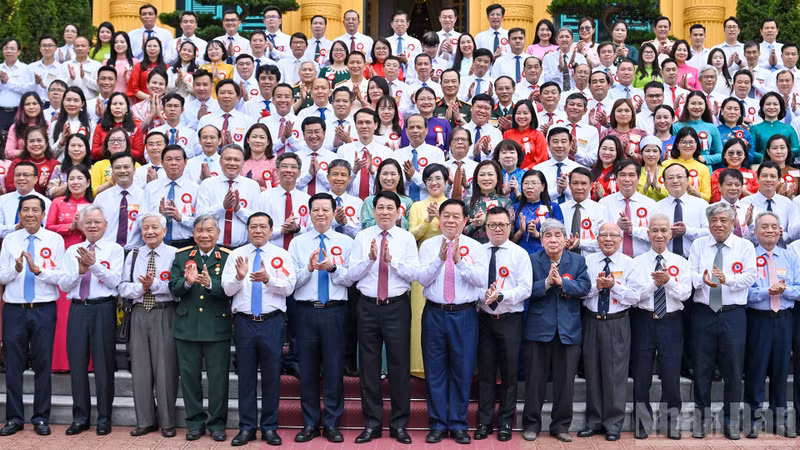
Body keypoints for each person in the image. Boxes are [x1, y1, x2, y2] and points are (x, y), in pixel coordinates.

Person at [349, 191, 419, 444]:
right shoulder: (362, 237)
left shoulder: (407, 238)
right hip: (367, 306)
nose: (385, 212)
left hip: (396, 307)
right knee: (368, 367)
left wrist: (393, 260)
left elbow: (414, 273)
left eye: (390, 208)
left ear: (399, 212)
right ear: (373, 211)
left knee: (399, 366)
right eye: (380, 207)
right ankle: (372, 424)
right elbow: (351, 274)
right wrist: (370, 260)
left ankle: (400, 424)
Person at [417, 199, 487, 444]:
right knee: (434, 371)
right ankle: (437, 423)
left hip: (464, 315)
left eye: (456, 216)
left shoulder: (476, 247)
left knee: (462, 370)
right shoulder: (427, 245)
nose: (450, 221)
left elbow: (480, 280)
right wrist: (439, 259)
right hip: (434, 313)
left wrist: (459, 261)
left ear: (465, 220)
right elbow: (422, 279)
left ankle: (458, 423)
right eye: (446, 215)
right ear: (439, 218)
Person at [221, 212, 295, 446]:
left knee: (272, 376)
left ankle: (270, 427)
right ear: (248, 229)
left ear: (271, 230)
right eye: (253, 226)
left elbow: (290, 287)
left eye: (263, 226)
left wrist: (268, 279)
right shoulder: (236, 255)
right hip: (244, 322)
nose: (258, 230)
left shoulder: (281, 255)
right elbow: (226, 290)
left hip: (272, 322)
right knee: (246, 376)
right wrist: (238, 277)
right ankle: (247, 427)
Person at [688, 202, 757, 440]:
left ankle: (731, 421)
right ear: (708, 223)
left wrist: (727, 280)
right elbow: (690, 273)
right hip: (704, 313)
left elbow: (750, 276)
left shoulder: (745, 246)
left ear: (732, 222)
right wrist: (702, 280)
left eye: (723, 220)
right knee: (702, 368)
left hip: (733, 314)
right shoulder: (698, 244)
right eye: (714, 221)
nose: (718, 225)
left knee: (734, 370)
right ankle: (701, 420)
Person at [287, 193, 351, 443]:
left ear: (335, 213)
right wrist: (310, 268)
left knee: (334, 368)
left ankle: (332, 423)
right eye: (316, 210)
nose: (321, 214)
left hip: (335, 310)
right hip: (305, 311)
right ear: (309, 213)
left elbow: (350, 280)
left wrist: (333, 268)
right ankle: (310, 423)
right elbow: (291, 281)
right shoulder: (298, 243)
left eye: (326, 209)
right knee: (308, 369)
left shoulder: (346, 241)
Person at [0, 195, 64, 437]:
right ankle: (14, 418)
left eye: (34, 210)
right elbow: (1, 276)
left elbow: (60, 277)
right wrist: (15, 269)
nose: (29, 214)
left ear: (42, 214)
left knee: (42, 364)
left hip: (44, 309)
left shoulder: (55, 239)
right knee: (13, 366)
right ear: (19, 213)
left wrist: (39, 271)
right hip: (14, 310)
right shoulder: (10, 240)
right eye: (24, 210)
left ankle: (40, 417)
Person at [522, 219, 590, 442]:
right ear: (541, 240)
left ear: (564, 239)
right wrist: (547, 283)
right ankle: (531, 424)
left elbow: (585, 287)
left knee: (565, 382)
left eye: (557, 235)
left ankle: (560, 426)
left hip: (568, 330)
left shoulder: (577, 261)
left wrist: (563, 284)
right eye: (548, 236)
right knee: (534, 382)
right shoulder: (531, 260)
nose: (553, 239)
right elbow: (526, 290)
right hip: (538, 329)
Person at [58, 205, 122, 436]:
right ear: (81, 226)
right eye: (88, 222)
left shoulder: (115, 250)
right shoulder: (71, 250)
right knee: (77, 365)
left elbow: (115, 281)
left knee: (104, 365)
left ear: (105, 224)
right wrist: (79, 270)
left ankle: (104, 418)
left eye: (97, 222)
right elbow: (64, 284)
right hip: (77, 309)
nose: (93, 226)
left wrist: (93, 266)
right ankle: (80, 417)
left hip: (103, 308)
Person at [628, 214, 692, 439]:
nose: (659, 234)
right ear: (647, 234)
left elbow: (685, 294)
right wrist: (653, 284)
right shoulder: (637, 262)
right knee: (641, 375)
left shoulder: (681, 262)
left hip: (671, 321)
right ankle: (641, 424)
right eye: (654, 230)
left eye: (664, 230)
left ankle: (670, 423)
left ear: (670, 233)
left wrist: (668, 281)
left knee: (671, 375)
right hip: (644, 320)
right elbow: (634, 296)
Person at [167, 215, 231, 442]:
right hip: (187, 326)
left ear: (217, 233)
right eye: (200, 230)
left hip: (216, 326)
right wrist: (187, 282)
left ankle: (217, 424)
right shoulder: (183, 256)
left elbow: (232, 289)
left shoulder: (227, 257)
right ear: (193, 233)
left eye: (209, 230)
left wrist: (210, 284)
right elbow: (173, 286)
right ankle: (194, 422)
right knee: (190, 378)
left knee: (218, 379)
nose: (204, 235)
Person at [473, 207, 531, 442]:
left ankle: (506, 421)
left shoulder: (519, 254)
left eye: (502, 225)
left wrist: (502, 296)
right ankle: (484, 422)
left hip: (510, 319)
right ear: (485, 228)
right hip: (484, 318)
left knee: (508, 373)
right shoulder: (477, 252)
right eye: (492, 225)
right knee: (485, 372)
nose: (497, 229)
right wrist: (482, 295)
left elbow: (526, 288)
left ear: (510, 227)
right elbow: (471, 280)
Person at [118, 213, 178, 437]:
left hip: (165, 312)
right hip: (140, 312)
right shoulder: (133, 255)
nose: (149, 232)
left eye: (154, 227)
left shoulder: (174, 254)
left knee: (166, 369)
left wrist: (155, 285)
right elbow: (123, 287)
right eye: (145, 228)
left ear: (164, 231)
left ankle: (167, 421)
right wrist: (142, 289)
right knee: (140, 370)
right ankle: (145, 420)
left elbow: (177, 287)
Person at [578, 223, 637, 441]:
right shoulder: (587, 261)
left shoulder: (629, 264)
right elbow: (580, 292)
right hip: (592, 321)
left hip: (617, 323)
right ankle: (593, 421)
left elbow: (635, 297)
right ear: (597, 238)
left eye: (614, 235)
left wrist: (614, 286)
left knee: (615, 375)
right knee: (592, 373)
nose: (609, 239)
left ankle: (613, 424)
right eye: (604, 235)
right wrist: (598, 287)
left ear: (621, 239)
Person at [744, 212, 800, 438]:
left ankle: (780, 418)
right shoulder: (749, 256)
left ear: (780, 232)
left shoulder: (790, 257)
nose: (769, 230)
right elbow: (744, 292)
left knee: (780, 371)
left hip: (785, 319)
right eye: (764, 226)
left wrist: (785, 290)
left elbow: (799, 287)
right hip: (758, 320)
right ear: (755, 232)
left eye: (773, 226)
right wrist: (766, 292)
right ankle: (753, 420)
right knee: (756, 370)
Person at [45, 165, 92, 372]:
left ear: (88, 182)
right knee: (64, 313)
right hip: (63, 260)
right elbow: (48, 228)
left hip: (86, 260)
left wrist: (85, 229)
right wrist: (70, 227)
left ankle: (87, 362)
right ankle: (61, 362)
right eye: (71, 178)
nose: (75, 182)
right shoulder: (57, 203)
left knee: (85, 310)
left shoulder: (93, 205)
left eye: (80, 178)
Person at [196, 144, 261, 248]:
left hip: (242, 248)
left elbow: (258, 220)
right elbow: (199, 218)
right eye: (228, 159)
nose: (232, 163)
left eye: (236, 160)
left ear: (243, 162)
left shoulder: (253, 186)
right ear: (220, 161)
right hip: (213, 248)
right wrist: (223, 207)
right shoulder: (207, 184)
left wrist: (239, 210)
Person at [598, 159, 658, 257]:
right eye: (622, 175)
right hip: (614, 259)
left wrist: (632, 230)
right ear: (616, 179)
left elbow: (656, 235)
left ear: (638, 178)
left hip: (643, 260)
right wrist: (616, 227)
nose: (627, 179)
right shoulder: (604, 203)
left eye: (631, 175)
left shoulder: (651, 205)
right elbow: (598, 235)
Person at [739, 161, 800, 246]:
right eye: (764, 176)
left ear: (779, 180)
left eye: (773, 176)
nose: (768, 179)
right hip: (754, 253)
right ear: (757, 179)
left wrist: (782, 235)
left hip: (781, 252)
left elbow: (793, 234)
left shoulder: (788, 204)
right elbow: (741, 235)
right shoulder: (745, 203)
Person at [93, 152, 143, 251]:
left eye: (126, 167)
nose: (122, 171)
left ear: (134, 169)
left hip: (135, 253)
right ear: (112, 171)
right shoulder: (101, 198)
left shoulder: (144, 196)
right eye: (118, 167)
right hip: (107, 253)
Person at [512, 169, 563, 254]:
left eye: (534, 183)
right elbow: (508, 241)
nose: (529, 186)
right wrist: (520, 231)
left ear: (543, 186)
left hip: (546, 255)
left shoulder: (553, 207)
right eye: (526, 183)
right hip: (519, 255)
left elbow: (560, 237)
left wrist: (537, 234)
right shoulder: (515, 208)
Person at [0, 162, 52, 238]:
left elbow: (46, 229)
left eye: (26, 175)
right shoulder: (2, 200)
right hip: (8, 244)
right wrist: (15, 228)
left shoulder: (46, 202)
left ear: (35, 179)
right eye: (17, 175)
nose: (21, 178)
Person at [198, 80, 255, 147]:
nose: (226, 96)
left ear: (238, 97)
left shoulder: (248, 121)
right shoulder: (206, 120)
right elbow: (198, 145)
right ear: (217, 96)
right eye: (222, 93)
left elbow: (251, 146)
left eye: (230, 93)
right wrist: (215, 145)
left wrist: (233, 145)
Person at [562, 167, 605, 255]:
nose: (579, 187)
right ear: (569, 185)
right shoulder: (560, 209)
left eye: (583, 183)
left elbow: (603, 242)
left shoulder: (600, 210)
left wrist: (580, 243)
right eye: (575, 183)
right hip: (564, 260)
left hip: (591, 262)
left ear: (591, 185)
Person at [533, 127, 583, 203]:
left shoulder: (579, 169)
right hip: (545, 213)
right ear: (548, 145)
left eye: (563, 141)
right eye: (555, 142)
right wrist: (556, 191)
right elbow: (534, 197)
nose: (559, 145)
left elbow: (585, 198)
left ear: (570, 145)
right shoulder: (538, 170)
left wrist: (566, 189)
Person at [6, 126, 59, 196]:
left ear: (46, 143)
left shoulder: (55, 165)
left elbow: (57, 191)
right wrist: (35, 183)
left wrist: (43, 186)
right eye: (31, 141)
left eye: (39, 140)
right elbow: (9, 187)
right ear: (26, 144)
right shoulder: (17, 163)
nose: (36, 144)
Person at [750, 92, 800, 164]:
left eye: (775, 104)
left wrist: (781, 154)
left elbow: (797, 149)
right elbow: (751, 151)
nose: (772, 107)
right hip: (762, 167)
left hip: (785, 167)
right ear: (762, 107)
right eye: (768, 104)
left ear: (780, 108)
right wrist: (763, 157)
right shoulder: (755, 129)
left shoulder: (789, 128)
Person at [665, 127, 712, 202]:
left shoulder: (703, 168)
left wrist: (693, 192)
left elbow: (707, 198)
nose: (687, 146)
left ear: (696, 144)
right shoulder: (665, 165)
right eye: (683, 142)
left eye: (691, 142)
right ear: (677, 145)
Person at [0, 39, 34, 132]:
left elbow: (28, 89)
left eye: (12, 48)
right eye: (6, 48)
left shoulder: (25, 68)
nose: (8, 51)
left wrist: (8, 82)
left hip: (18, 112)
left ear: (19, 52)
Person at [711, 138, 758, 202]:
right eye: (731, 153)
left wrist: (742, 191)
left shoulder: (753, 174)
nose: (735, 156)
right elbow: (715, 198)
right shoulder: (717, 174)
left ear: (744, 155)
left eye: (739, 153)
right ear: (724, 155)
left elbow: (758, 199)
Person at [5, 92, 46, 160]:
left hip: (44, 165)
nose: (31, 107)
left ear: (40, 106)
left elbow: (51, 150)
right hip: (22, 166)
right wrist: (29, 152)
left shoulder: (47, 125)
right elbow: (8, 153)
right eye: (27, 104)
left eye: (34, 103)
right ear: (22, 107)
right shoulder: (15, 127)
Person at [60, 36, 102, 101]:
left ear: (89, 49)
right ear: (73, 49)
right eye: (77, 46)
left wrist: (85, 77)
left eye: (83, 46)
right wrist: (71, 79)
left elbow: (99, 88)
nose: (80, 48)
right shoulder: (65, 65)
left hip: (90, 102)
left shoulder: (97, 65)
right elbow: (60, 88)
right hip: (71, 103)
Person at [590, 135, 625, 202]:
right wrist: (595, 196)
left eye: (611, 150)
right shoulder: (592, 172)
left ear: (618, 152)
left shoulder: (622, 172)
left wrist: (604, 195)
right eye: (604, 148)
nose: (607, 152)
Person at [30, 35, 62, 103]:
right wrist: (35, 83)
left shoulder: (61, 68)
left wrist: (44, 86)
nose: (47, 48)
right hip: (34, 105)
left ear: (55, 48)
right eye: (44, 46)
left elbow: (61, 90)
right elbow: (25, 88)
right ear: (40, 48)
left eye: (50, 45)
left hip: (53, 105)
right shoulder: (31, 67)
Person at [639, 136, 669, 201]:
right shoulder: (636, 173)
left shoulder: (667, 172)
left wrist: (658, 187)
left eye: (655, 151)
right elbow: (633, 197)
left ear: (660, 153)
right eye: (647, 151)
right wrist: (646, 187)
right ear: (641, 153)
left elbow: (673, 195)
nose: (651, 154)